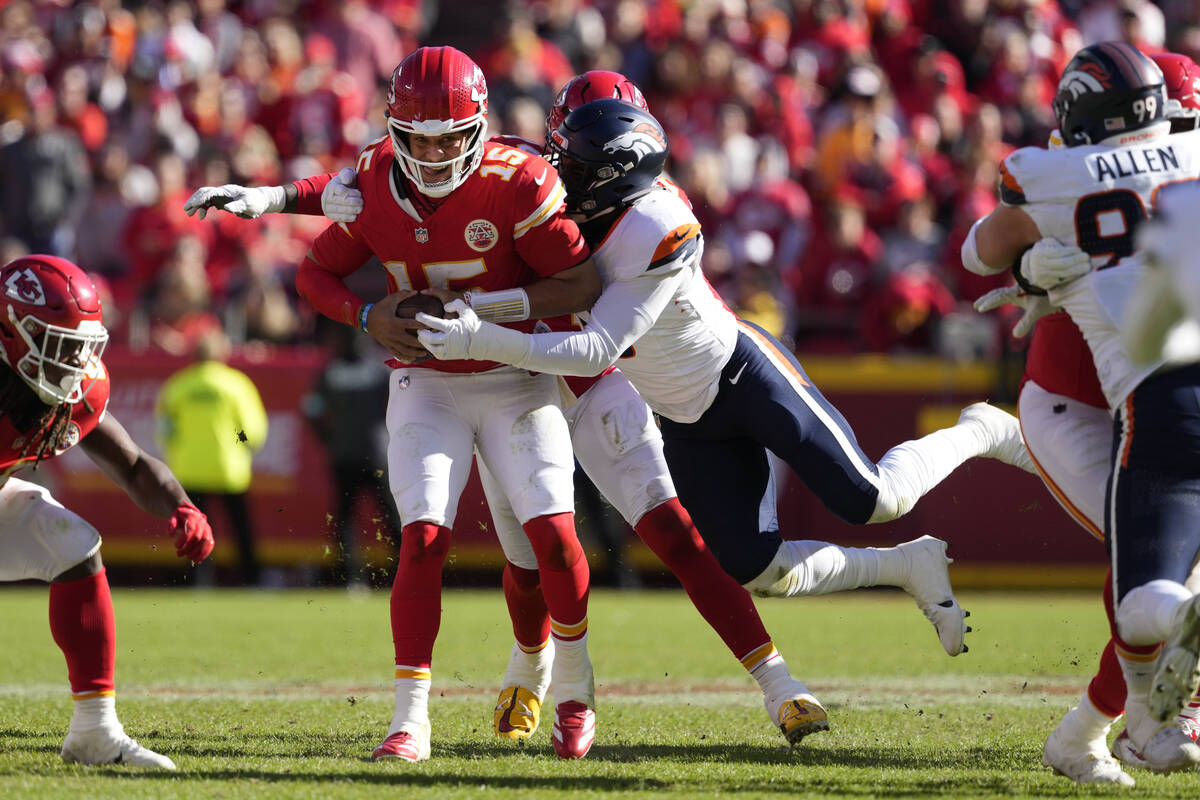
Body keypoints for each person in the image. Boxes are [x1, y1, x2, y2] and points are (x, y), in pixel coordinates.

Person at [184, 68, 975, 750]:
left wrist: (482, 317)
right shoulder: (519, 166)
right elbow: (376, 180)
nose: (562, 165)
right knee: (530, 557)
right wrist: (279, 195)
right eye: (560, 146)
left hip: (574, 367)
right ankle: (530, 670)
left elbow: (590, 312)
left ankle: (774, 682)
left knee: (670, 531)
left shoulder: (632, 211)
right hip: (511, 373)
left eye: (577, 154)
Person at [414, 98, 1041, 722]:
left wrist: (483, 335)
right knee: (755, 567)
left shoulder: (652, 224)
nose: (558, 172)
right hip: (685, 420)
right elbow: (460, 162)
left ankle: (979, 429)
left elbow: (597, 349)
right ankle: (907, 564)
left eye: (575, 165)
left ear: (613, 175)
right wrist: (337, 193)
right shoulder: (561, 190)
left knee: (873, 499)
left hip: (742, 377)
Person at [296, 46, 602, 763]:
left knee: (555, 535)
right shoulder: (373, 179)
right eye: (418, 137)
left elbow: (580, 282)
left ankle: (577, 690)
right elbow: (315, 272)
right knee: (423, 536)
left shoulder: (516, 179)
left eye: (448, 136)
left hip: (512, 370)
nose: (432, 152)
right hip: (425, 380)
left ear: (479, 127)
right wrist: (368, 318)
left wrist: (489, 312)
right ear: (392, 130)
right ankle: (411, 721)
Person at [965, 40, 1200, 779]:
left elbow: (992, 243)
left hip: (1150, 399)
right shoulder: (1088, 173)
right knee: (1165, 569)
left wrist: (1032, 262)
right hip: (1075, 402)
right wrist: (1032, 268)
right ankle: (1153, 722)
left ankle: (1082, 737)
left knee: (1160, 575)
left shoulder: (1053, 172)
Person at [0, 254, 214, 769]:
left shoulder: (73, 393)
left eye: (79, 348)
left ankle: (95, 732)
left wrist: (182, 506)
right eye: (58, 347)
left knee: (73, 546)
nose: (73, 365)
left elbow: (135, 465)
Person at [155, 326, 267, 586]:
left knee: (194, 531)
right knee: (241, 529)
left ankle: (197, 581)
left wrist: (180, 449)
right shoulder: (235, 384)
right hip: (229, 468)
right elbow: (248, 429)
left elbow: (166, 429)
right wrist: (242, 444)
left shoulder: (180, 385)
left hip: (190, 467)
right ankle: (251, 580)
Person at [302, 317, 400, 587]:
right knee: (389, 518)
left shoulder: (332, 370)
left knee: (347, 520)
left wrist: (328, 439)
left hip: (347, 455)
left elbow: (311, 409)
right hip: (376, 454)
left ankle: (353, 579)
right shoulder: (380, 367)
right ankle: (403, 575)